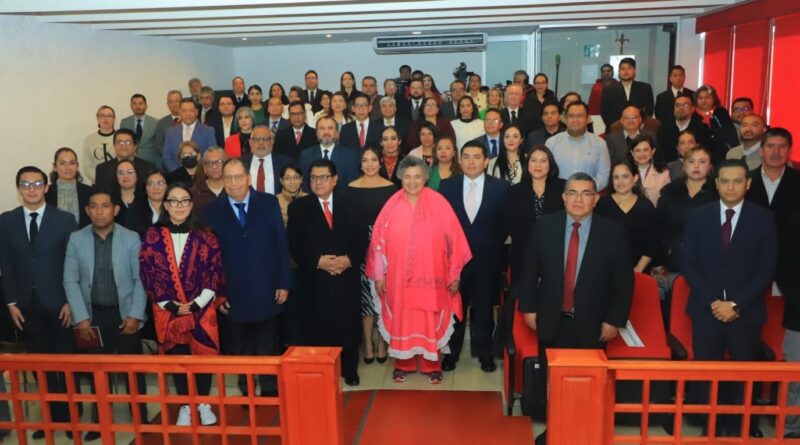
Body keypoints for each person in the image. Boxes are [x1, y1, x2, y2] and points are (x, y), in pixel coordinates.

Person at [518, 172, 633, 445]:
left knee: (587, 383)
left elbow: (623, 284)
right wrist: (529, 308)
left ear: (596, 199)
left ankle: (583, 434)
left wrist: (614, 320)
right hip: (551, 318)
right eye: (572, 193)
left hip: (593, 323)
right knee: (552, 382)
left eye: (585, 193)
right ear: (563, 197)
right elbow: (529, 270)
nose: (578, 199)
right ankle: (555, 432)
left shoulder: (614, 234)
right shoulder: (545, 226)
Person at [682, 159, 777, 438]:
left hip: (745, 312)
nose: (731, 186)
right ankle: (710, 427)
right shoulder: (698, 216)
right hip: (706, 310)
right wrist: (714, 303)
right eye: (725, 181)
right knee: (707, 373)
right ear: (717, 184)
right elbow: (689, 265)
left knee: (742, 373)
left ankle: (739, 428)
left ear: (748, 184)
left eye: (737, 181)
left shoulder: (763, 219)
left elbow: (766, 269)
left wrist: (736, 305)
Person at [366, 156, 472, 384]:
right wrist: (379, 276)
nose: (412, 181)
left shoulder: (439, 202)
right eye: (407, 177)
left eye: (417, 177)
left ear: (425, 178)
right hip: (398, 277)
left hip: (433, 276)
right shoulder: (391, 205)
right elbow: (377, 243)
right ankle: (403, 363)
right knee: (403, 318)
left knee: (429, 317)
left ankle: (431, 364)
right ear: (400, 178)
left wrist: (454, 274)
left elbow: (456, 240)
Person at [0, 166, 79, 438]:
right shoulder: (6, 221)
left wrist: (70, 300)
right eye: (25, 184)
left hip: (60, 303)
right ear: (19, 188)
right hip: (25, 306)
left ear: (46, 188)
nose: (31, 189)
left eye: (37, 184)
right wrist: (11, 303)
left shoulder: (65, 220)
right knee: (39, 366)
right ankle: (51, 419)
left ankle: (71, 419)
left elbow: (73, 263)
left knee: (65, 364)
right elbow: (6, 265)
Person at [63, 189, 149, 437]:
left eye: (105, 206)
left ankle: (141, 417)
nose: (99, 211)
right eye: (94, 206)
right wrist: (81, 318)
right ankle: (100, 419)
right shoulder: (76, 239)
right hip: (91, 317)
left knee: (133, 371)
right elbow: (70, 280)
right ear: (87, 211)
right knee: (96, 372)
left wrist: (135, 315)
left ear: (116, 209)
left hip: (125, 316)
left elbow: (141, 279)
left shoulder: (131, 238)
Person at [203, 159, 291, 397]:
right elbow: (209, 259)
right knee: (239, 346)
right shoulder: (211, 211)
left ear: (248, 178)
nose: (233, 183)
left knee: (267, 344)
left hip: (266, 287)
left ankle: (270, 387)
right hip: (232, 292)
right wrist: (218, 294)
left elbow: (281, 245)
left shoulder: (269, 203)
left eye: (238, 177)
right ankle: (247, 389)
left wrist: (283, 282)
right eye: (228, 178)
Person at [139, 184, 224, 426]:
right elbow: (148, 273)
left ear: (191, 205)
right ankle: (186, 405)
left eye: (184, 201)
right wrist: (171, 304)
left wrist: (197, 304)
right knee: (178, 357)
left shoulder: (206, 236)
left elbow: (215, 272)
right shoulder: (152, 237)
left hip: (202, 309)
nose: (179, 206)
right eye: (174, 201)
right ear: (166, 205)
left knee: (203, 356)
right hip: (169, 311)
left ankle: (204, 403)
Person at [287, 159, 363, 386]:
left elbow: (362, 239)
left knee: (347, 323)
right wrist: (317, 261)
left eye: (323, 177)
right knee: (317, 325)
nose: (318, 182)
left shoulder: (351, 204)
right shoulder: (298, 208)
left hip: (346, 277)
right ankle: (322, 371)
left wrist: (349, 260)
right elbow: (294, 244)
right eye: (314, 178)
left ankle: (349, 369)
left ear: (335, 179)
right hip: (315, 278)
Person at [439, 141, 510, 372]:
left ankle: (484, 354)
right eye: (466, 157)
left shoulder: (502, 188)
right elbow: (442, 224)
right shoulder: (447, 186)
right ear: (459, 160)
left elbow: (505, 224)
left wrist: (490, 245)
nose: (471, 162)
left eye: (477, 157)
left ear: (486, 161)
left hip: (487, 261)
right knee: (455, 309)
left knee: (483, 310)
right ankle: (451, 353)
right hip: (454, 264)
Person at [348, 147, 397, 364]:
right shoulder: (349, 189)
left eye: (374, 160)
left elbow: (395, 222)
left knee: (383, 295)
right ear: (360, 164)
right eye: (365, 160)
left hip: (386, 249)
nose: (369, 164)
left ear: (380, 162)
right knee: (365, 299)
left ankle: (382, 341)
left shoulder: (391, 188)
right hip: (359, 248)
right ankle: (368, 342)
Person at [653, 147, 718, 310]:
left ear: (710, 166)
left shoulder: (718, 193)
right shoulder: (669, 191)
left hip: (707, 266)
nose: (696, 166)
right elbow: (658, 227)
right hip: (673, 262)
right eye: (691, 161)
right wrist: (660, 260)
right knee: (672, 312)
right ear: (684, 166)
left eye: (702, 162)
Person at [506, 145, 565, 290]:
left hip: (556, 253)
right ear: (527, 164)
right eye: (533, 160)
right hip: (523, 253)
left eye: (543, 161)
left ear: (550, 164)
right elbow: (511, 224)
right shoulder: (515, 191)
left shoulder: (563, 188)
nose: (538, 165)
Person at [595, 161, 658, 272]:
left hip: (638, 270)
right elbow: (596, 240)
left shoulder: (645, 206)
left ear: (635, 178)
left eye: (625, 176)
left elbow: (652, 242)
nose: (620, 181)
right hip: (606, 269)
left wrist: (638, 269)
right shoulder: (601, 205)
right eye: (616, 177)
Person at [276, 165, 307, 346]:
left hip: (307, 263)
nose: (292, 182)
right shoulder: (273, 202)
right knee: (287, 308)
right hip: (284, 263)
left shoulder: (310, 200)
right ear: (281, 181)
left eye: (296, 177)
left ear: (302, 179)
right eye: (287, 178)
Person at [546, 101, 610, 190]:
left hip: (588, 195)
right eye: (571, 116)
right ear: (565, 118)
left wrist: (586, 191)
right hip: (558, 194)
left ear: (587, 118)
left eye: (580, 115)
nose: (575, 120)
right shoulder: (551, 143)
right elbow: (546, 172)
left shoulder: (600, 143)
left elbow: (603, 176)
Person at [746, 128, 800, 227]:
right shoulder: (746, 180)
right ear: (761, 151)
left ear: (790, 151)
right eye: (770, 146)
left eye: (782, 146)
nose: (776, 152)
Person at [298, 116, 360, 191]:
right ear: (316, 133)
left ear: (337, 132)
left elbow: (353, 185)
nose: (326, 132)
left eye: (330, 128)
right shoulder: (306, 155)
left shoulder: (349, 155)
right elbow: (304, 184)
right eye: (322, 128)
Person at [162, 99, 216, 172]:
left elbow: (212, 155)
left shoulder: (208, 131)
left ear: (196, 112)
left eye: (191, 111)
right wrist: (179, 172)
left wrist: (198, 171)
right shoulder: (170, 132)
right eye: (184, 111)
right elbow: (166, 158)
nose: (188, 114)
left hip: (201, 174)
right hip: (177, 175)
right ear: (179, 112)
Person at [600, 57, 655, 129]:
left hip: (639, 130)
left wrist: (638, 126)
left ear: (634, 71)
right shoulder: (608, 90)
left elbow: (649, 110)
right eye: (622, 69)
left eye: (629, 68)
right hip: (616, 130)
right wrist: (617, 127)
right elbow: (605, 113)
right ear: (619, 72)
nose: (626, 71)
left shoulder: (645, 88)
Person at [657, 93, 712, 162]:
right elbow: (660, 155)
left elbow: (705, 154)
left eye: (685, 105)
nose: (681, 108)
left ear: (692, 109)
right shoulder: (664, 129)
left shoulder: (702, 129)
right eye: (677, 105)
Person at [45, 147, 92, 227]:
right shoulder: (46, 192)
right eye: (62, 163)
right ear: (55, 167)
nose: (68, 168)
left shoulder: (89, 192)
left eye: (72, 163)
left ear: (77, 166)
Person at [694, 85, 740, 162]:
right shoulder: (693, 115)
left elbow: (729, 132)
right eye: (700, 98)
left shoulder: (721, 112)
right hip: (699, 153)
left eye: (707, 97)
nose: (704, 100)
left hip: (722, 151)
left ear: (714, 99)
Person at [243, 125, 293, 195]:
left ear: (272, 141)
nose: (261, 143)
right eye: (257, 139)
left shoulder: (286, 163)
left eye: (265, 139)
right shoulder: (241, 163)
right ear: (250, 142)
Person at [628, 134, 670, 206]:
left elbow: (666, 199)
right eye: (637, 150)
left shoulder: (663, 172)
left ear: (653, 151)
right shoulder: (626, 171)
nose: (642, 154)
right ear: (632, 153)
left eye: (645, 150)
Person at [121, 93, 161, 167]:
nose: (138, 106)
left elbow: (159, 146)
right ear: (131, 106)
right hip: (130, 163)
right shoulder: (125, 122)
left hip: (151, 164)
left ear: (146, 105)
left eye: (140, 103)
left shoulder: (156, 122)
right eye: (134, 104)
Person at [125, 169, 167, 237]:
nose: (155, 188)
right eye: (150, 184)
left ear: (167, 186)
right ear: (145, 187)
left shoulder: (177, 206)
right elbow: (129, 238)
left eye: (160, 183)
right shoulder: (134, 210)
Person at [82, 105, 117, 183]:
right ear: (97, 119)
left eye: (109, 116)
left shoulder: (121, 137)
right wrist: (100, 180)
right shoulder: (89, 140)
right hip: (98, 183)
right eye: (102, 115)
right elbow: (87, 165)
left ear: (114, 119)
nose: (105, 118)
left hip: (118, 183)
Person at [191, 147, 226, 214]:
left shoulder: (235, 189)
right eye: (209, 163)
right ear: (204, 167)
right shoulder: (194, 193)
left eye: (219, 162)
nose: (214, 166)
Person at [154, 91, 183, 162]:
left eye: (176, 101)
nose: (174, 104)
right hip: (168, 163)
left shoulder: (189, 120)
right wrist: (169, 158)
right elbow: (158, 145)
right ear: (168, 104)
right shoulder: (161, 123)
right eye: (171, 102)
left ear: (182, 102)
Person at [111, 159, 140, 224]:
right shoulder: (109, 200)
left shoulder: (146, 198)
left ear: (137, 176)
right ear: (116, 177)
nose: (125, 176)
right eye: (121, 173)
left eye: (130, 172)